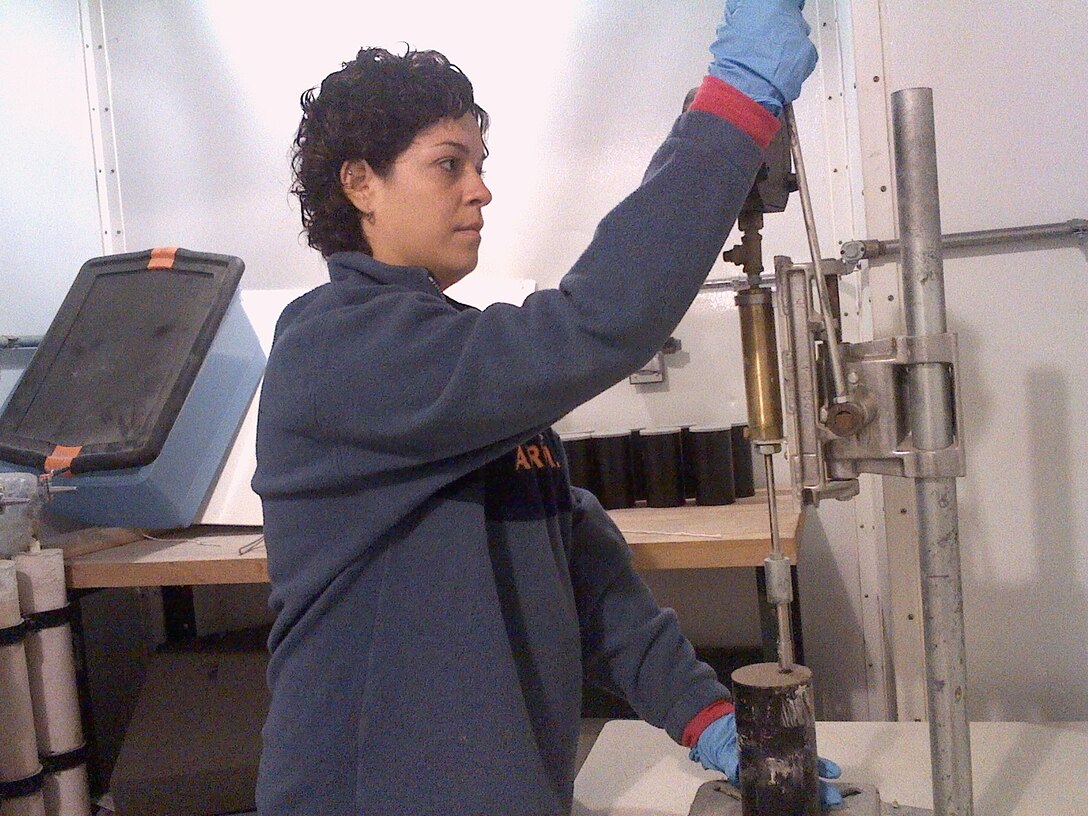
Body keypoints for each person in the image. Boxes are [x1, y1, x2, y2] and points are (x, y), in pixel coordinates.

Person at [253, 2, 840, 813]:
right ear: (361, 184)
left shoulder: (450, 353)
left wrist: (704, 714)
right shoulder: (335, 351)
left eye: (480, 162)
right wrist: (734, 107)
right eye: (448, 165)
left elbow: (578, 559)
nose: (481, 190)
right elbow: (597, 322)